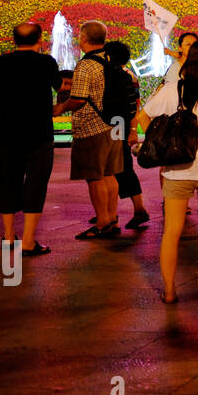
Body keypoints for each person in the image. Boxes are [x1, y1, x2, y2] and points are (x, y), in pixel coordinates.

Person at [133, 40, 198, 303]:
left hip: (175, 170)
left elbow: (143, 117)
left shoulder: (172, 89)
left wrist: (160, 138)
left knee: (172, 232)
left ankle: (169, 291)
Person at [0, 23, 60, 255]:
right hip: (39, 132)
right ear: (40, 39)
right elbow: (60, 88)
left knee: (8, 181)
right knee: (36, 185)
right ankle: (29, 241)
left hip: (9, 132)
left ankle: (9, 236)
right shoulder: (47, 63)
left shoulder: (1, 62)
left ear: (13, 40)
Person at [60, 21, 122, 240]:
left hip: (92, 127)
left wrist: (61, 107)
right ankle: (112, 218)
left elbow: (78, 99)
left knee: (94, 177)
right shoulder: (113, 59)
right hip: (116, 124)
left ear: (83, 38)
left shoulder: (86, 65)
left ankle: (102, 221)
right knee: (110, 174)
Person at [99, 41, 150, 230]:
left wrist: (132, 131)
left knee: (119, 167)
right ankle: (107, 211)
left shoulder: (121, 76)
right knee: (117, 166)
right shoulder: (127, 75)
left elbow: (133, 106)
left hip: (116, 125)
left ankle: (138, 210)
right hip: (118, 125)